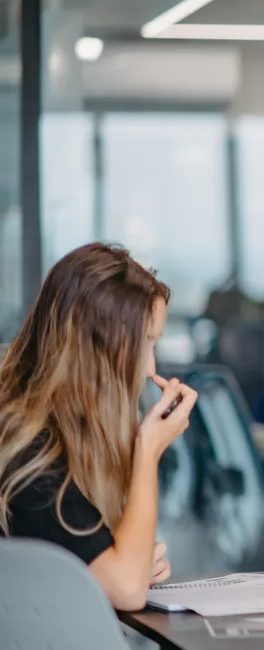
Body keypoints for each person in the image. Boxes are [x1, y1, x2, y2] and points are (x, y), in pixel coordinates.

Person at [0, 243, 197, 611]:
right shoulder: (28, 451)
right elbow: (125, 590)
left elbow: (112, 572)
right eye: (144, 342)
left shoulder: (48, 431)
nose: (150, 367)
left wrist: (131, 562)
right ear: (95, 348)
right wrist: (148, 449)